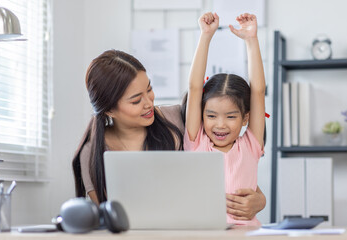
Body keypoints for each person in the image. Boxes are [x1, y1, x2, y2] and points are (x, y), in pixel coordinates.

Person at [72, 49, 266, 220]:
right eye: (136, 100)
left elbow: (231, 169)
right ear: (109, 110)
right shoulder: (91, 153)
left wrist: (260, 200)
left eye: (149, 89)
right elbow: (109, 218)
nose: (149, 103)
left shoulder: (174, 118)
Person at [183, 12, 266, 226]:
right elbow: (194, 87)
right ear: (202, 116)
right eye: (211, 116)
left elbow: (257, 91)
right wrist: (205, 36)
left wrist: (251, 40)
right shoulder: (196, 143)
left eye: (230, 116)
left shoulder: (251, 145)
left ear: (245, 117)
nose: (220, 124)